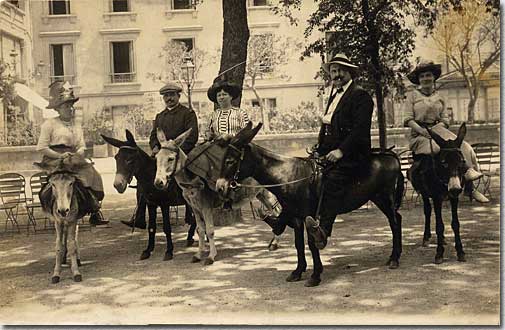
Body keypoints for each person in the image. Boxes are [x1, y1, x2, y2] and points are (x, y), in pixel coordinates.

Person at [305, 53, 374, 249]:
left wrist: (341, 151)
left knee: (332, 180)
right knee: (306, 174)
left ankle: (323, 230)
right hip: (330, 152)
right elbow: (327, 125)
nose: (336, 75)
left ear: (349, 72)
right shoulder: (334, 95)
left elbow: (360, 130)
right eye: (333, 71)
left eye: (341, 70)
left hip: (353, 153)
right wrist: (318, 147)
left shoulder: (360, 95)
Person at [403, 60, 489, 203]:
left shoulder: (440, 96)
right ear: (418, 79)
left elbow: (445, 118)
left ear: (433, 77)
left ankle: (470, 187)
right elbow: (407, 119)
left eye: (428, 75)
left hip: (438, 130)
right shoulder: (412, 96)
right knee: (439, 148)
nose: (426, 79)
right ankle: (445, 185)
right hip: (419, 133)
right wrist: (421, 129)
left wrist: (439, 126)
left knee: (464, 147)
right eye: (422, 76)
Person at [205, 80, 283, 237]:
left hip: (236, 148)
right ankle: (210, 195)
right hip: (218, 147)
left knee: (233, 166)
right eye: (219, 95)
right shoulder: (214, 115)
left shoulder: (240, 113)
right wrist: (210, 136)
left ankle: (231, 195)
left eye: (224, 94)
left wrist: (230, 136)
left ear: (231, 97)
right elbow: (209, 131)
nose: (221, 97)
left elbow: (246, 132)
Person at [121, 82, 199, 229]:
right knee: (144, 176)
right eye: (166, 96)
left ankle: (192, 213)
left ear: (178, 96)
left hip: (181, 153)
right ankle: (139, 217)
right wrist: (156, 148)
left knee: (192, 174)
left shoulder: (188, 114)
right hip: (163, 154)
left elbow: (192, 136)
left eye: (172, 95)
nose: (169, 98)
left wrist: (177, 151)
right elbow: (153, 136)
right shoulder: (160, 116)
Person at [37, 81, 109, 225]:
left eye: (71, 105)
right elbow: (42, 147)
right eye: (66, 106)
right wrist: (59, 156)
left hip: (73, 158)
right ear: (58, 109)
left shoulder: (76, 124)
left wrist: (78, 154)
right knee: (58, 180)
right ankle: (50, 206)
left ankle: (94, 210)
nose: (70, 109)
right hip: (54, 158)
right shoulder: (49, 124)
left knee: (92, 173)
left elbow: (81, 145)